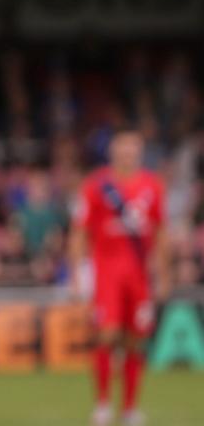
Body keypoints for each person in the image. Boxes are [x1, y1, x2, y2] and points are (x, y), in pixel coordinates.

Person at [69, 128, 170, 426]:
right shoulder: (95, 185)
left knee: (135, 340)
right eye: (122, 148)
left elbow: (161, 232)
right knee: (107, 334)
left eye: (133, 148)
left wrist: (164, 274)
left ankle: (129, 409)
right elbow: (80, 231)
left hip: (139, 275)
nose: (127, 153)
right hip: (107, 272)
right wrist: (76, 272)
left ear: (140, 152)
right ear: (112, 151)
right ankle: (102, 405)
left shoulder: (152, 185)